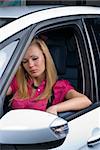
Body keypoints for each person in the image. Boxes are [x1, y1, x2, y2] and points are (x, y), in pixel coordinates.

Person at [7, 38, 92, 115]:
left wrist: (55, 108)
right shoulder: (19, 81)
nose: (30, 65)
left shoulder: (58, 85)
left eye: (35, 58)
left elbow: (85, 101)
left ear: (45, 57)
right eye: (24, 61)